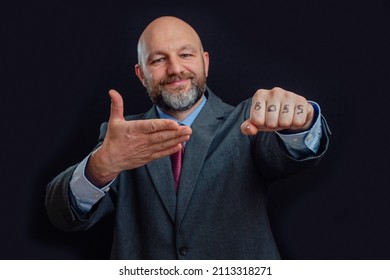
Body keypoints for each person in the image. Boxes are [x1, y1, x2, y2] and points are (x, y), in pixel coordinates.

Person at [46, 16, 331, 259]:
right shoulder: (121, 135)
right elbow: (63, 215)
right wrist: (98, 168)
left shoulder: (249, 121)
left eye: (185, 55)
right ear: (141, 75)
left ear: (205, 62)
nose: (175, 69)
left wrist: (300, 123)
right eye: (158, 59)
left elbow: (292, 155)